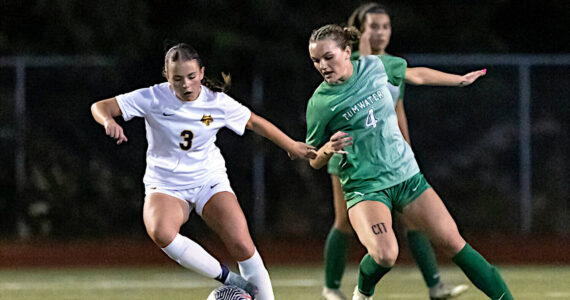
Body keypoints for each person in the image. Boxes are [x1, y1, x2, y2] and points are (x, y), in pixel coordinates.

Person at [91, 43, 317, 300]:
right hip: (166, 184)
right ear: (167, 77)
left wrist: (290, 145)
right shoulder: (153, 97)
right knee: (160, 231)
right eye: (177, 79)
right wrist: (108, 120)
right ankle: (231, 280)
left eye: (190, 76)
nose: (186, 85)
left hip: (208, 180)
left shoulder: (216, 102)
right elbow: (100, 106)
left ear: (201, 72)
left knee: (242, 243)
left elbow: (253, 120)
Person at [306, 25, 513, 300]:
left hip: (407, 177)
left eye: (328, 57)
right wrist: (328, 149)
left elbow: (417, 75)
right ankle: (363, 292)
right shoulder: (320, 103)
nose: (322, 65)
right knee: (385, 254)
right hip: (366, 187)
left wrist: (458, 80)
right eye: (316, 60)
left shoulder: (375, 67)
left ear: (347, 52)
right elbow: (313, 160)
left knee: (454, 242)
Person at [321, 3, 468, 300]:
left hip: (391, 159)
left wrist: (408, 152)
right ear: (360, 31)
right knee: (344, 222)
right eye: (373, 26)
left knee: (415, 220)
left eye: (385, 26)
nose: (381, 32)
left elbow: (397, 111)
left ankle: (436, 287)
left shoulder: (394, 65)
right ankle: (331, 288)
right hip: (354, 158)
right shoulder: (348, 63)